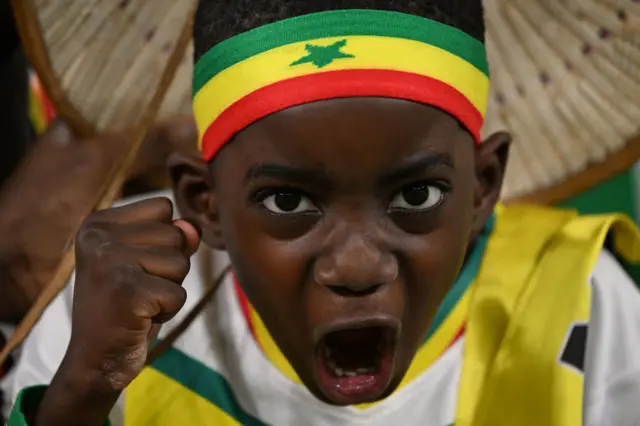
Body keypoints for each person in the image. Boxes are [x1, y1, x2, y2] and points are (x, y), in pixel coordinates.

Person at [6, 0, 640, 425]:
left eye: (416, 197)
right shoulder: (111, 321)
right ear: (208, 206)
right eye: (288, 202)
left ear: (483, 186)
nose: (357, 265)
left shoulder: (580, 308)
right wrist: (84, 389)